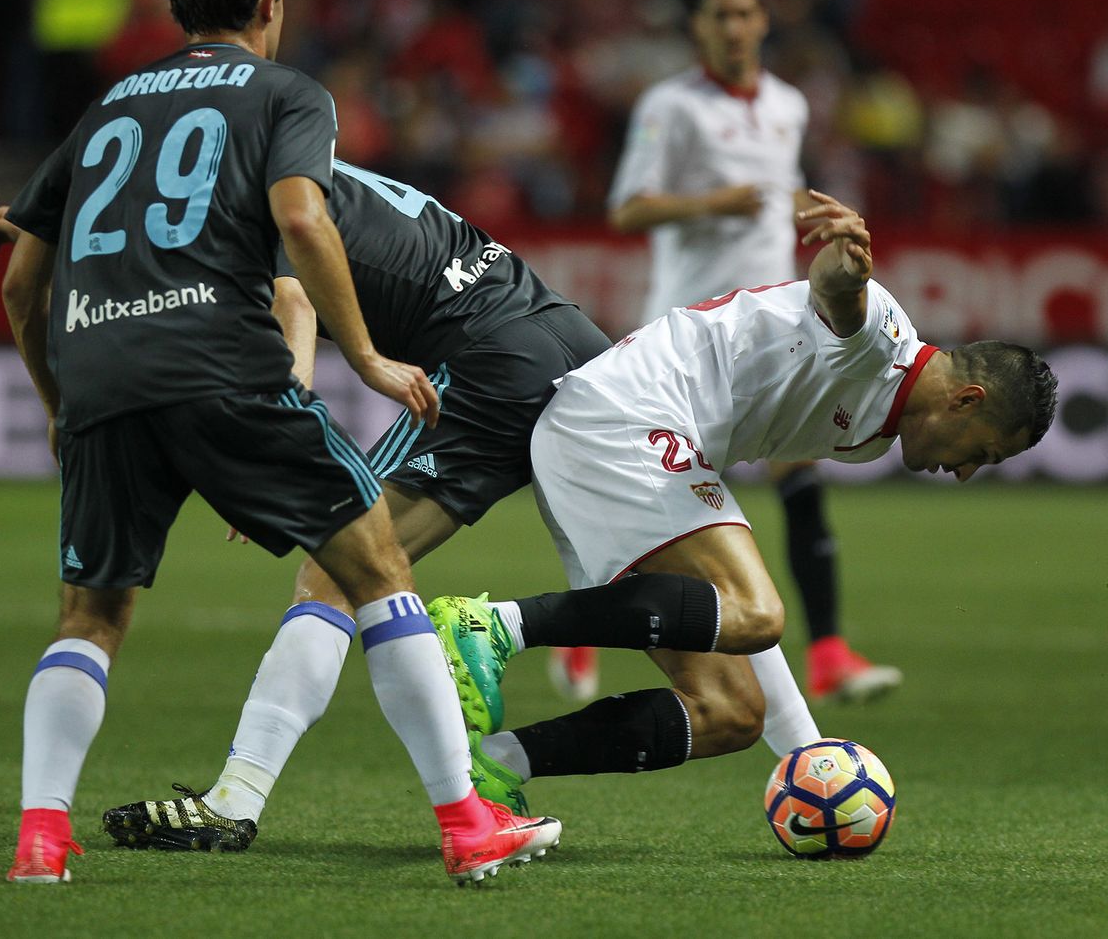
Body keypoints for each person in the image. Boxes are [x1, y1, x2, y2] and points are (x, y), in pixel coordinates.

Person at [0, 0, 558, 886]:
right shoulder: (287, 95)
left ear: (174, 3)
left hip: (98, 375)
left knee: (89, 616)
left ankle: (42, 837)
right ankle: (467, 823)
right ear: (270, 1)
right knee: (375, 565)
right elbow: (301, 218)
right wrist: (372, 358)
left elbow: (18, 282)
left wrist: (55, 404)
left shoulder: (107, 108)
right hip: (216, 362)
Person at [0, 155, 614, 847]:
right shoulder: (280, 153)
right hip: (564, 333)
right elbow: (153, 213)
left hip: (492, 356)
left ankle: (241, 798)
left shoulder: (254, 177)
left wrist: (282, 435)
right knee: (693, 612)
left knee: (338, 572)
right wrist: (31, 216)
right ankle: (743, 717)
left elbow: (293, 299)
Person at [428, 190, 1058, 808]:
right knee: (756, 611)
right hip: (622, 419)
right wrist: (845, 263)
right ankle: (495, 626)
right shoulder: (884, 342)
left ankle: (495, 767)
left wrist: (813, 763)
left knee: (728, 713)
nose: (970, 471)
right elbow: (840, 297)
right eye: (985, 452)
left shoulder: (875, 433)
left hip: (618, 443)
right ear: (967, 400)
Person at [595, 0, 897, 704]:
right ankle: (593, 628)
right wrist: (711, 203)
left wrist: (808, 209)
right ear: (698, 27)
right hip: (688, 337)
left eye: (744, 14)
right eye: (718, 15)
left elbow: (775, 191)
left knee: (801, 477)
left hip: (770, 327)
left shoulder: (788, 106)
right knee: (676, 508)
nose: (733, 28)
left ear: (764, 21)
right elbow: (626, 211)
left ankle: (828, 651)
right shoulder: (672, 106)